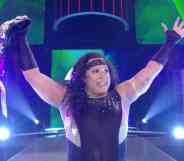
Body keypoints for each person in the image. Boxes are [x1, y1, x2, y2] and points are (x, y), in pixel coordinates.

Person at [0, 15, 184, 161]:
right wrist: (21, 38)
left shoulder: (122, 95)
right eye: (96, 71)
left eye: (105, 70)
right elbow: (34, 75)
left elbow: (149, 72)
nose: (104, 75)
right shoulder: (66, 99)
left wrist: (170, 42)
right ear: (82, 77)